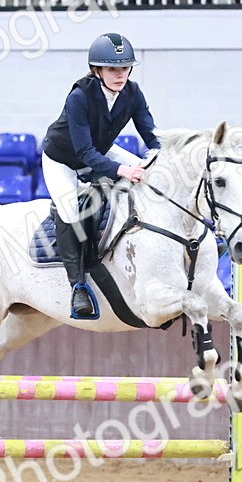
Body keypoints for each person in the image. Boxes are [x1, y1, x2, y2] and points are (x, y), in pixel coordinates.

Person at [41, 32, 161, 318]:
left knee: (148, 175)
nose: (120, 75)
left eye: (124, 68)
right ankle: (78, 286)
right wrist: (122, 171)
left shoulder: (132, 92)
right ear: (97, 70)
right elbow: (84, 152)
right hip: (63, 159)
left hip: (101, 150)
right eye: (112, 69)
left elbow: (152, 135)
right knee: (69, 211)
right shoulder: (80, 96)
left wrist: (164, 156)